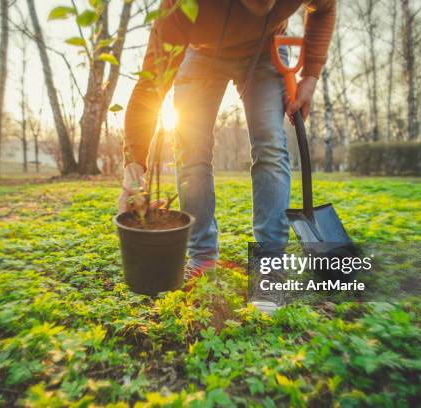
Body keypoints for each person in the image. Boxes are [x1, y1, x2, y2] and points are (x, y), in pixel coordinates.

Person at [119, 0, 335, 313]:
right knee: (190, 148)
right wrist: (134, 166)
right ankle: (203, 258)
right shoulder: (181, 5)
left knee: (271, 146)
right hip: (201, 52)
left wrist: (311, 76)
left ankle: (270, 267)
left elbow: (324, 9)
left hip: (265, 51)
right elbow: (152, 83)